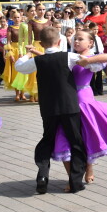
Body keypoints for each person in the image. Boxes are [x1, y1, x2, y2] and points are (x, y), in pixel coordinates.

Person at [15, 26, 99, 194]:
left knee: (47, 140)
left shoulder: (38, 60)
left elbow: (19, 66)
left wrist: (29, 54)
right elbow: (88, 61)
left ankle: (42, 176)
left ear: (41, 43)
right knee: (76, 143)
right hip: (69, 106)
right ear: (60, 41)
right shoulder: (68, 56)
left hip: (48, 108)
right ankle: (76, 182)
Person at [50, 30, 107, 187]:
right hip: (66, 101)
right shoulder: (69, 56)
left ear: (90, 43)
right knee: (63, 137)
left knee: (87, 136)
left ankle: (88, 167)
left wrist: (87, 60)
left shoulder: (91, 59)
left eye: (80, 39)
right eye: (75, 39)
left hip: (84, 101)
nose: (76, 41)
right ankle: (73, 178)